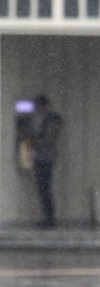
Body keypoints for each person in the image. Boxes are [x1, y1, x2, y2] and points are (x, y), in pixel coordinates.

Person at [20, 95, 63, 228]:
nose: (37, 109)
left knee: (45, 188)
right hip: (38, 157)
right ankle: (47, 217)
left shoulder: (52, 120)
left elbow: (49, 139)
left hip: (46, 158)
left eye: (38, 106)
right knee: (41, 189)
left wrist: (33, 141)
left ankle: (50, 219)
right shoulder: (38, 120)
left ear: (44, 106)